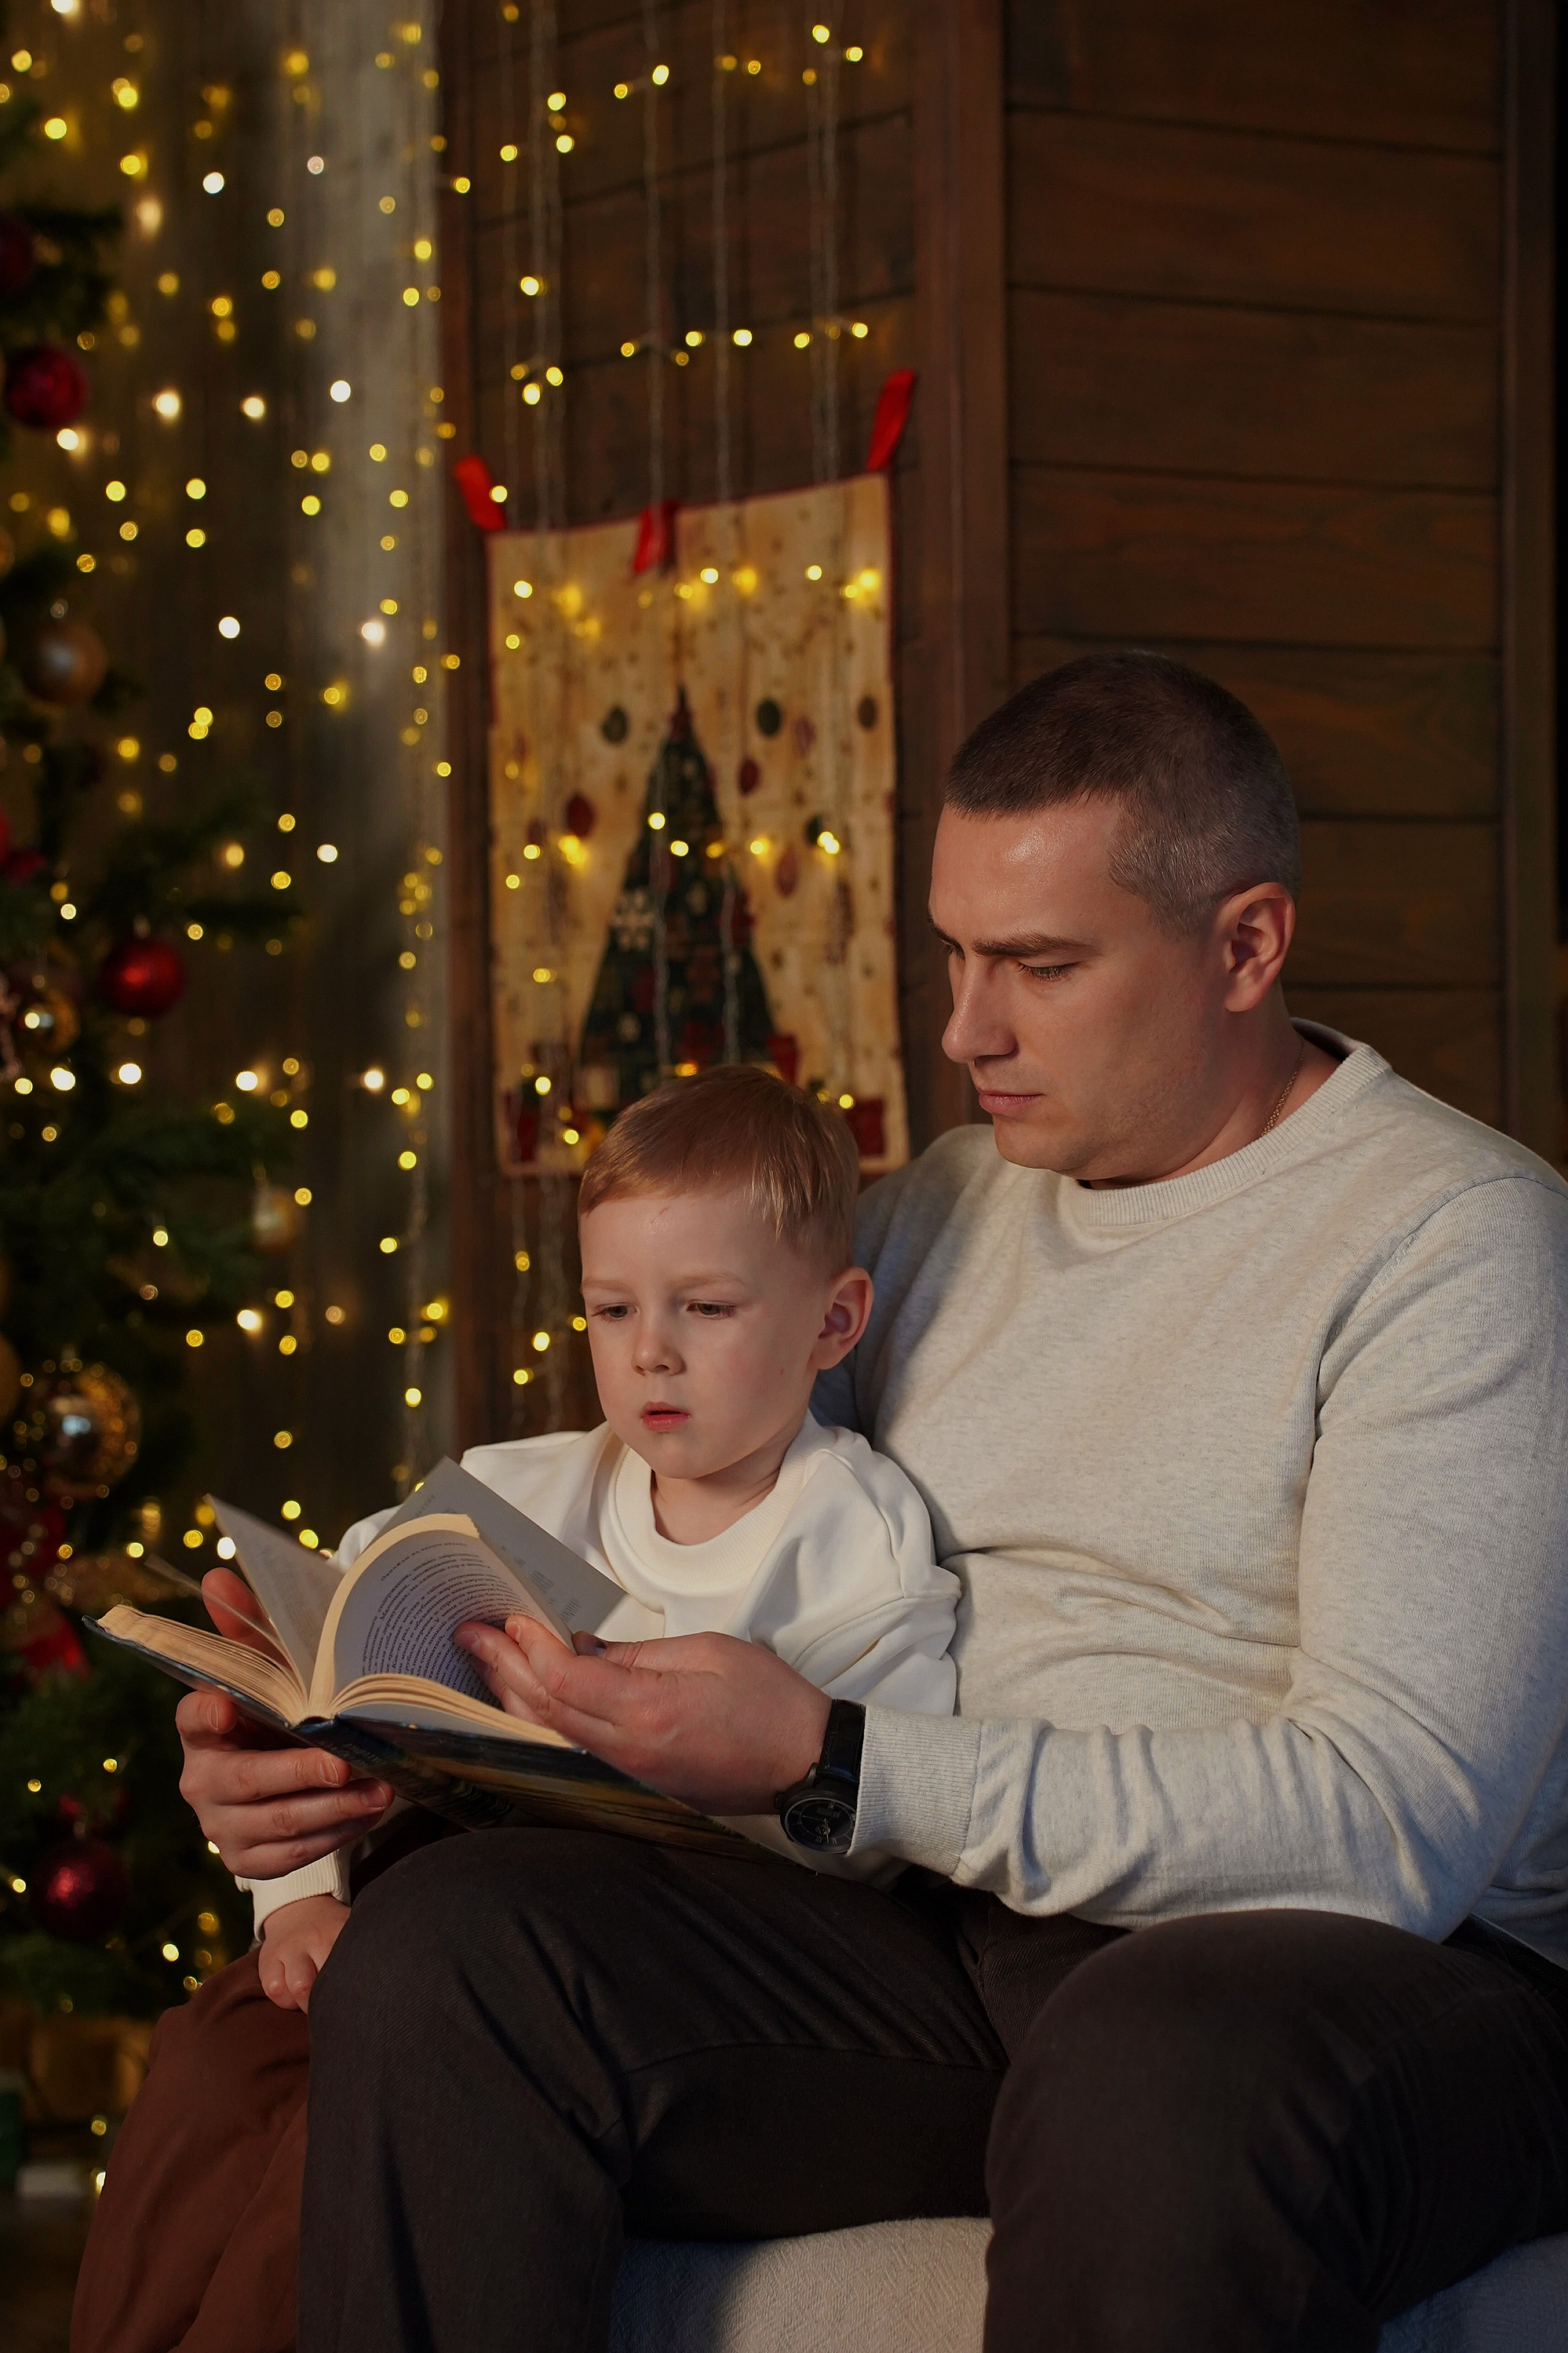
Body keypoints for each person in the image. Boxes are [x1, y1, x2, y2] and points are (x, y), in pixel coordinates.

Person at [74, 651, 1568, 2353]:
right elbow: (703, 1527)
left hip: (1367, 1980)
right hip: (953, 1934)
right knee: (454, 1944)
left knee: (1157, 2052)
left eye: (1040, 966)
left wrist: (842, 1760)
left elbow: (1388, 1829)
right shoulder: (941, 1209)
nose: (965, 1029)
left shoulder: (1452, 1245)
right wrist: (348, 1740)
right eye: (954, 954)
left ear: (1246, 945)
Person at [244, 1065, 957, 2010]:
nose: (649, 1351)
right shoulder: (512, 1492)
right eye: (613, 1309)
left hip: (715, 1959)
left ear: (833, 1322)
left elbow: (887, 1830)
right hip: (475, 1908)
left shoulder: (858, 1535)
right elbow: (315, 1672)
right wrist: (296, 1898)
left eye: (706, 1307)